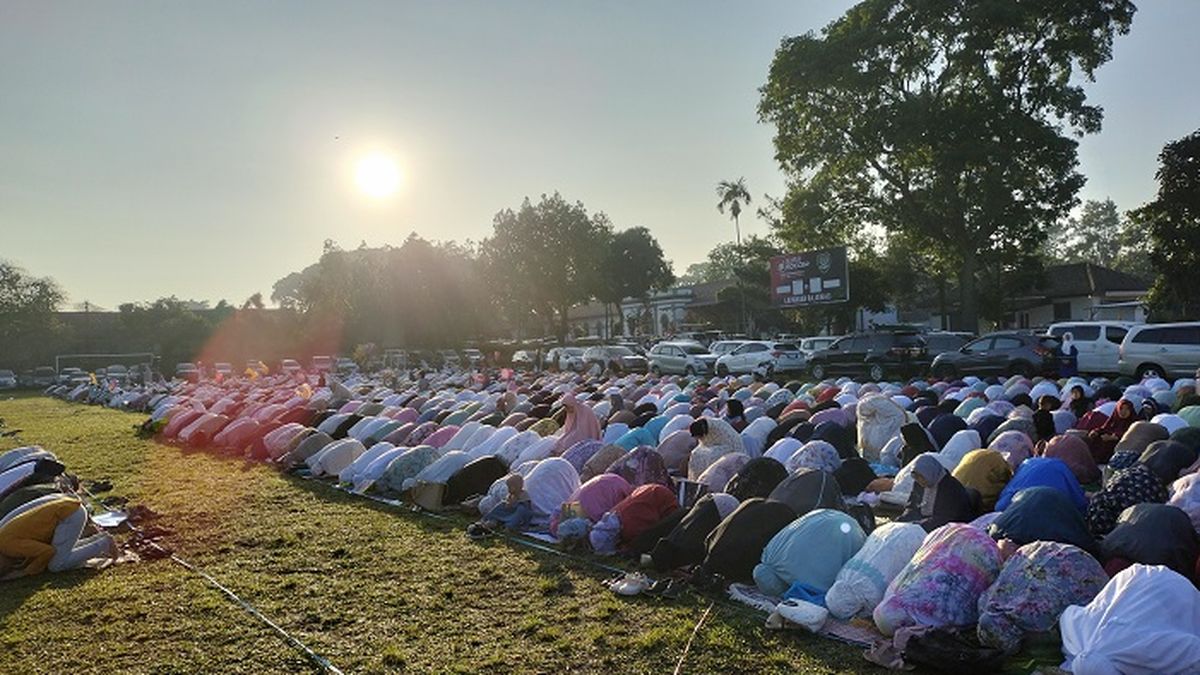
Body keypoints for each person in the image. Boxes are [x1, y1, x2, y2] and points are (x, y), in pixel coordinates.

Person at [0, 496, 117, 579]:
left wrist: (27, 571)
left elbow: (48, 551)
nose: (5, 568)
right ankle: (97, 540)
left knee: (56, 565)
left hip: (68, 516)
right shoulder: (4, 542)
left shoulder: (7, 545)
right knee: (61, 555)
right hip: (68, 510)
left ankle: (104, 544)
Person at [897, 454, 975, 531]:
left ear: (930, 472)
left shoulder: (950, 487)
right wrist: (900, 522)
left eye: (921, 477)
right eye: (916, 477)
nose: (919, 481)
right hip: (925, 523)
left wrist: (917, 525)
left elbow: (945, 518)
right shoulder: (918, 484)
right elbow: (912, 506)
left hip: (950, 528)